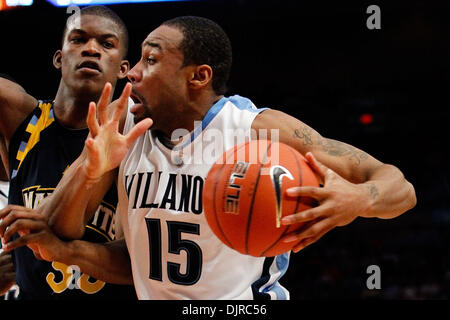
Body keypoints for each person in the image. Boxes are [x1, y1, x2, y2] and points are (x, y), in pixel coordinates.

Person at [0, 16, 416, 299]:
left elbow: (398, 184)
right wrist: (89, 170)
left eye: (151, 58)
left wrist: (362, 199)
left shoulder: (257, 129)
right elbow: (73, 237)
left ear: (198, 77)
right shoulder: (126, 132)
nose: (132, 73)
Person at [0, 6, 139, 299]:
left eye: (106, 43)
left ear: (124, 69)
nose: (91, 49)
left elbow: (139, 265)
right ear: (59, 58)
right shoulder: (21, 116)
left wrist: (64, 251)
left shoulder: (138, 132)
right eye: (78, 39)